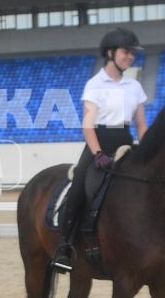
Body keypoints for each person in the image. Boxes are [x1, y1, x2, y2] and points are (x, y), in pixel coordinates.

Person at [51, 28, 149, 272]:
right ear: (110, 53)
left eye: (132, 53)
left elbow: (141, 124)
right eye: (126, 52)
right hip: (99, 140)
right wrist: (97, 153)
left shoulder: (134, 85)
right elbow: (88, 124)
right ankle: (64, 247)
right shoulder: (95, 84)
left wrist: (147, 149)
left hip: (125, 140)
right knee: (79, 189)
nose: (130, 57)